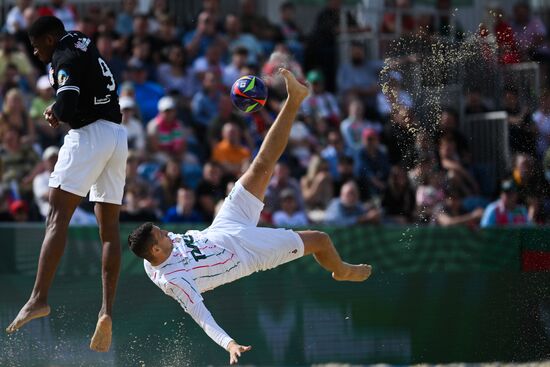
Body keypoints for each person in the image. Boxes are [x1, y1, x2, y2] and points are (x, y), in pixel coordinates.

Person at [127, 69, 371, 365]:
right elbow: (202, 317)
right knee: (320, 240)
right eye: (161, 236)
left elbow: (153, 244)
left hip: (224, 225)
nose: (167, 233)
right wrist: (229, 344)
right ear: (156, 249)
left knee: (260, 165)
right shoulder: (174, 280)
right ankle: (342, 270)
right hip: (245, 252)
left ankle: (295, 99)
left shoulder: (148, 254)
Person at [5, 16, 128, 353]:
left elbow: (70, 100)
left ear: (48, 38)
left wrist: (57, 112)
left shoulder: (62, 54)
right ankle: (106, 311)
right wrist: (61, 107)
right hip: (118, 136)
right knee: (110, 231)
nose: (34, 51)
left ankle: (38, 298)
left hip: (89, 136)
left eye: (35, 45)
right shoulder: (80, 40)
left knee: (57, 216)